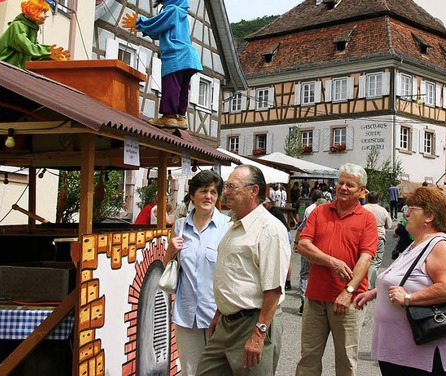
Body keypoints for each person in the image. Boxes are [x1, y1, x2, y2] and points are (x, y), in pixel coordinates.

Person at [353, 186, 446, 375]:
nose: (405, 214)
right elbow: (405, 280)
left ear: (429, 216)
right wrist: (376, 292)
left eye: (411, 209)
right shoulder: (417, 243)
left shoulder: (440, 245)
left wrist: (409, 299)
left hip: (423, 354)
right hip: (403, 352)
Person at [196, 165, 291, 375]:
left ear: (253, 191)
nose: (225, 192)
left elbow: (274, 289)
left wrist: (259, 333)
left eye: (232, 187)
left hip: (254, 323)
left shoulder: (270, 229)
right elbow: (232, 276)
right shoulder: (233, 225)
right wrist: (218, 314)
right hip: (226, 323)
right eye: (226, 186)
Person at [295, 163, 377, 376]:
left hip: (348, 301)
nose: (343, 187)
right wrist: (333, 262)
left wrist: (348, 291)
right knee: (308, 358)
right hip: (315, 297)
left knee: (346, 361)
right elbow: (303, 245)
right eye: (340, 182)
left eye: (350, 185)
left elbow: (365, 259)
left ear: (362, 191)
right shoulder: (320, 211)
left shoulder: (367, 218)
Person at [162, 170, 229, 376]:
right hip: (186, 312)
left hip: (217, 313)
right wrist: (171, 251)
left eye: (213, 192)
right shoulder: (180, 226)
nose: (208, 196)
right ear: (192, 195)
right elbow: (167, 266)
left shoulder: (227, 227)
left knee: (218, 371)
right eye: (203, 191)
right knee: (190, 371)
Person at [121, 0, 202, 130]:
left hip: (176, 53)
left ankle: (169, 116)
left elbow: (157, 23)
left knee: (172, 84)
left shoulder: (173, 10)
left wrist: (140, 22)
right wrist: (143, 28)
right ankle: (181, 117)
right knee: (182, 87)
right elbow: (160, 30)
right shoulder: (182, 14)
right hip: (189, 57)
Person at [0, 0, 70, 68]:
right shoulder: (17, 26)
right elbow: (26, 47)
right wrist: (48, 51)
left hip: (15, 69)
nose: (46, 15)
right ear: (33, 11)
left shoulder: (32, 30)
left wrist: (51, 57)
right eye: (43, 12)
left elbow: (32, 55)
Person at [292, 189, 324, 315]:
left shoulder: (309, 213)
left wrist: (296, 243)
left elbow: (300, 228)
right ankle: (318, 302)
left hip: (308, 247)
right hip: (321, 250)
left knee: (305, 274)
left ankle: (305, 300)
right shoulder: (331, 218)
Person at [262, 196, 293, 291]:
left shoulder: (272, 212)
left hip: (283, 235)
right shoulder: (274, 211)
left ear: (270, 204)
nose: (263, 206)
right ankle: (286, 281)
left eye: (264, 204)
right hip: (286, 234)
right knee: (285, 258)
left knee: (283, 258)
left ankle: (284, 281)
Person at [364, 191, 393, 289]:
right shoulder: (383, 210)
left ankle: (363, 282)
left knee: (364, 259)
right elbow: (389, 225)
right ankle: (370, 284)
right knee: (375, 262)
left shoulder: (363, 209)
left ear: (367, 198)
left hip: (365, 236)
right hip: (379, 236)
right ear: (378, 199)